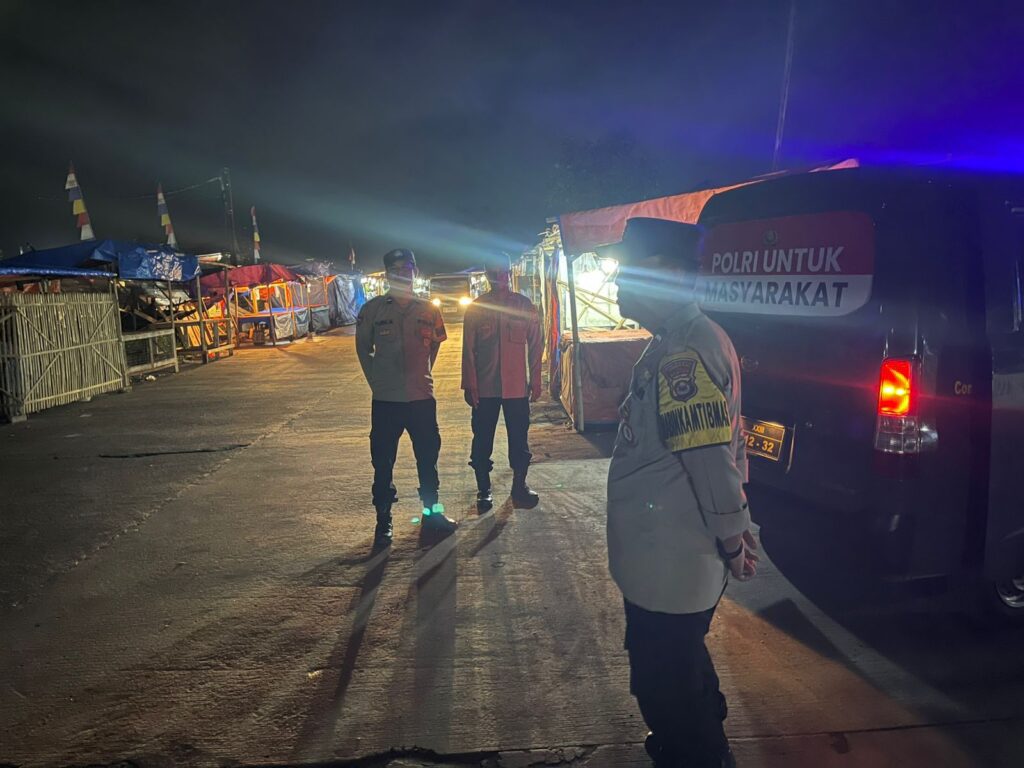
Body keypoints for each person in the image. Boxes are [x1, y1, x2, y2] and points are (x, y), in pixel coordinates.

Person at [604, 218, 758, 768]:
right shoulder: (674, 340)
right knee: (678, 667)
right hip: (660, 559)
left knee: (666, 684)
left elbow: (712, 464)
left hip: (672, 560)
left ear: (665, 275)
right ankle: (687, 742)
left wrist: (734, 539)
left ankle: (698, 754)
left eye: (626, 270)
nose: (615, 283)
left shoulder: (684, 352)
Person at [355, 248, 459, 547]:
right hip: (386, 400)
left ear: (415, 272)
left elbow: (435, 346)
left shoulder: (429, 310)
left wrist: (423, 373)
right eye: (396, 269)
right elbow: (363, 348)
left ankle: (431, 513)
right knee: (382, 461)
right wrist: (376, 381)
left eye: (408, 268)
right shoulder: (373, 310)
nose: (403, 274)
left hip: (421, 398)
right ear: (388, 274)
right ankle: (383, 519)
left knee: (428, 457)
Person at [461, 254, 543, 511]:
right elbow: (468, 350)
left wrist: (536, 378)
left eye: (503, 271)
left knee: (519, 438)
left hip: (516, 387)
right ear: (487, 275)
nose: (499, 277)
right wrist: (469, 384)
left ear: (509, 272)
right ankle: (484, 489)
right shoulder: (476, 308)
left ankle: (519, 486)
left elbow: (536, 344)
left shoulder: (523, 305)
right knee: (482, 439)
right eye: (493, 272)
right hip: (485, 387)